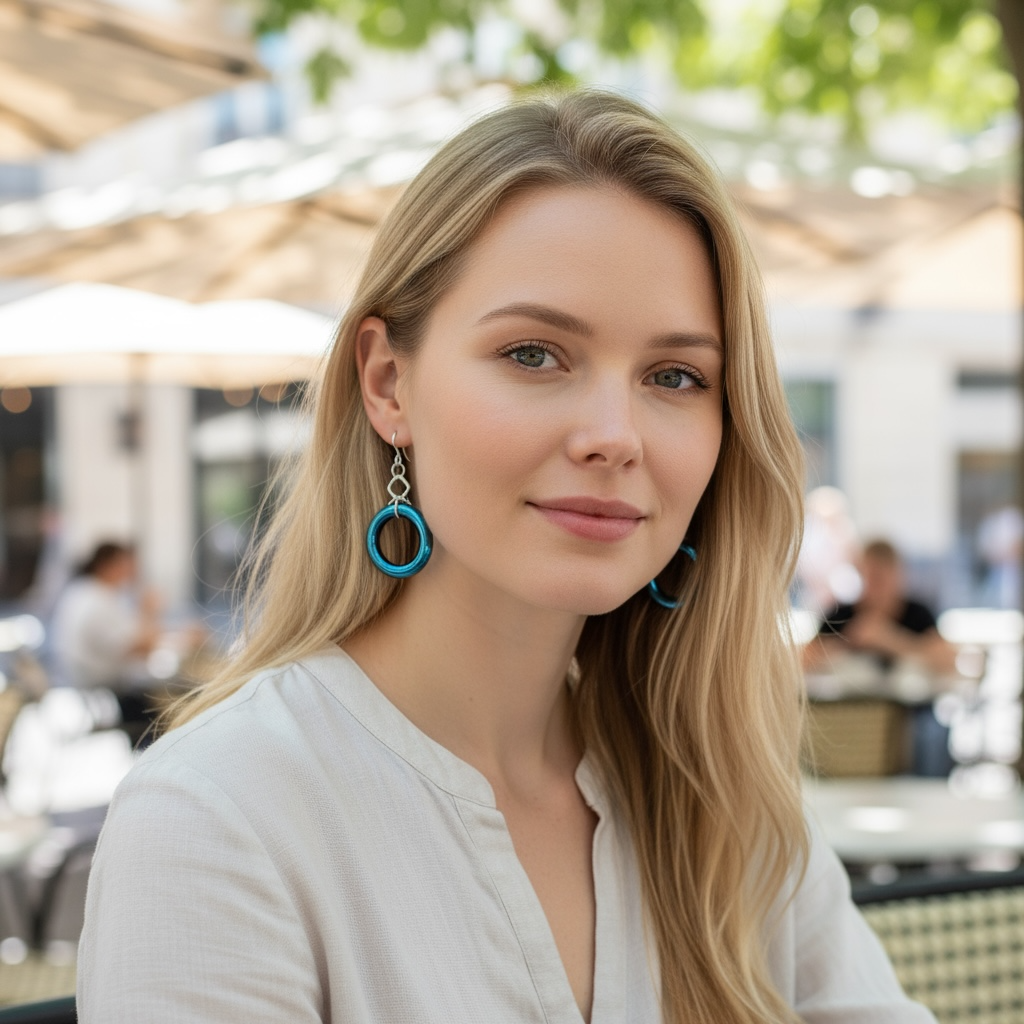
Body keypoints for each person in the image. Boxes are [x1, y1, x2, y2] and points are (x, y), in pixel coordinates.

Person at [78, 92, 936, 1023]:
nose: (615, 436)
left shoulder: (724, 797)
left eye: (676, 376)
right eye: (534, 354)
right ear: (387, 383)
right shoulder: (220, 819)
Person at [803, 538, 958, 777]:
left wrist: (891, 641)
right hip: (848, 717)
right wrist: (847, 643)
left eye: (882, 578)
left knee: (932, 733)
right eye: (869, 576)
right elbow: (802, 659)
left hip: (909, 721)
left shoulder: (917, 613)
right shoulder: (841, 615)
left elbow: (948, 661)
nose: (875, 586)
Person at [50, 542, 163, 741]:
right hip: (105, 683)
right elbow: (142, 648)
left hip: (84, 679)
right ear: (108, 565)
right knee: (167, 702)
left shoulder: (83, 591)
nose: (133, 571)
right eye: (128, 564)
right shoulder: (98, 602)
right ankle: (152, 759)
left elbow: (134, 636)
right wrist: (149, 610)